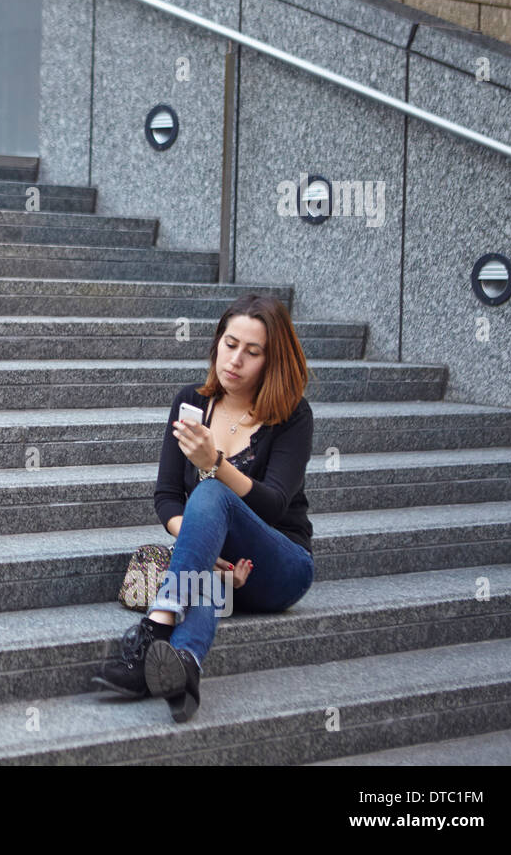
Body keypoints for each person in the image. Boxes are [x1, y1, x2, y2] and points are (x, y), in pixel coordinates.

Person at [93, 293, 316, 723]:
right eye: (229, 344)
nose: (235, 360)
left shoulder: (291, 416)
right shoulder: (191, 403)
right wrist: (206, 550)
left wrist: (214, 463)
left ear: (272, 361)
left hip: (280, 564)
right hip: (220, 566)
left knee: (211, 492)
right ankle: (186, 671)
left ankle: (155, 629)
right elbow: (166, 499)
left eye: (252, 352)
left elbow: (272, 505)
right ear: (217, 342)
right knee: (204, 575)